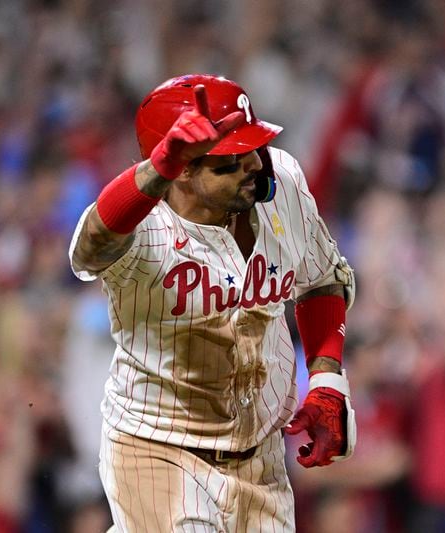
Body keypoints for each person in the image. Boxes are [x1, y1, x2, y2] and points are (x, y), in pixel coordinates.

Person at [68, 74, 356, 532]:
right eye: (230, 159)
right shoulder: (143, 223)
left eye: (254, 147)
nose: (253, 166)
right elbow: (87, 250)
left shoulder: (282, 181)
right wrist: (156, 167)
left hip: (260, 461)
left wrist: (326, 380)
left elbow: (322, 281)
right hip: (159, 449)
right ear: (181, 168)